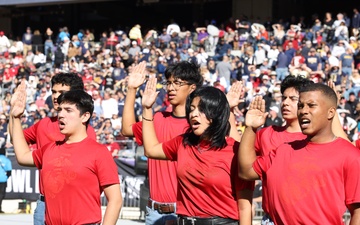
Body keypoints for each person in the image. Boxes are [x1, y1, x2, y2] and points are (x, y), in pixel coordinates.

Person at [239, 83, 360, 224]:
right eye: (301, 106)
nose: (303, 111)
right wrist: (251, 128)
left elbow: (358, 213)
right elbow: (246, 172)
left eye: (311, 105)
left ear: (331, 112)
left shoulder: (350, 156)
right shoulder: (283, 150)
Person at [142, 79, 253, 225]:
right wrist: (147, 108)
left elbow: (245, 207)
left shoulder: (235, 152)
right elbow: (150, 150)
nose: (194, 114)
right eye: (192, 108)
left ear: (217, 114)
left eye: (201, 109)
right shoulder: (182, 143)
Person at [10, 84, 122, 224]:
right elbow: (22, 156)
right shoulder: (49, 149)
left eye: (68, 110)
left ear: (85, 116)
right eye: (60, 110)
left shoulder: (99, 152)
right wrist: (15, 117)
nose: (61, 115)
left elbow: (115, 200)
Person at [121, 61, 203, 225]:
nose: (171, 88)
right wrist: (132, 89)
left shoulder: (198, 125)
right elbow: (127, 129)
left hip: (185, 212)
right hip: (154, 213)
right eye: (169, 83)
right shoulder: (157, 118)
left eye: (178, 83)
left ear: (192, 88)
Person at [22, 73, 97, 225]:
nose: (55, 96)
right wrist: (14, 116)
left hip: (73, 206)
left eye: (61, 93)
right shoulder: (43, 124)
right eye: (53, 92)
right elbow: (18, 139)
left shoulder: (87, 132)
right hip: (44, 205)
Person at [0, 147, 11, 213]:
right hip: (3, 180)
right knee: (1, 194)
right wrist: (6, 177)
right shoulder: (6, 160)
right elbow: (9, 172)